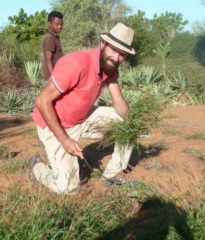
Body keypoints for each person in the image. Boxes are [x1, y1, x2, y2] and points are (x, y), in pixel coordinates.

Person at [29, 23, 138, 195]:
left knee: (129, 124)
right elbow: (42, 101)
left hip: (82, 118)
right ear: (103, 43)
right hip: (54, 126)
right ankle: (37, 167)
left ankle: (111, 174)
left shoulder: (110, 69)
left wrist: (135, 122)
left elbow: (118, 101)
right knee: (68, 189)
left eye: (122, 54)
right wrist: (65, 141)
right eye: (114, 50)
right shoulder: (76, 63)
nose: (116, 57)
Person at [42, 11, 64, 81]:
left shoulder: (55, 36)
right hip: (52, 78)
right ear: (49, 24)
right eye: (57, 24)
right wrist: (53, 77)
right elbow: (48, 60)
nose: (60, 26)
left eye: (61, 24)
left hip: (57, 74)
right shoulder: (49, 38)